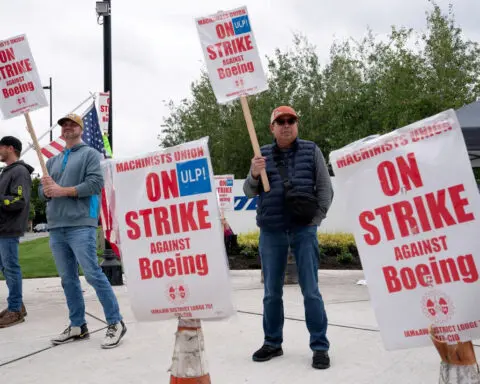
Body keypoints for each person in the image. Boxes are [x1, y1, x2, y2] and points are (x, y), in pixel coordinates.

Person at [243, 106, 333, 369]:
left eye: (290, 120)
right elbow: (249, 192)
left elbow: (325, 189)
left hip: (304, 230)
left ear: (297, 124)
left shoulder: (311, 150)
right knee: (272, 292)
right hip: (271, 231)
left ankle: (320, 346)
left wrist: (315, 220)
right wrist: (253, 172)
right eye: (280, 121)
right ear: (272, 127)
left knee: (311, 291)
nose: (286, 124)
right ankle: (272, 342)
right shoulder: (262, 155)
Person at [39, 113, 126, 349]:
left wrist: (61, 190)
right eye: (64, 125)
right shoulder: (52, 161)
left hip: (81, 224)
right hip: (56, 226)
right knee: (68, 280)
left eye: (72, 124)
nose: (67, 127)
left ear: (81, 128)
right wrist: (46, 190)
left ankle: (115, 322)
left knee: (93, 275)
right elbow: (43, 193)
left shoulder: (91, 154)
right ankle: (78, 326)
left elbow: (95, 184)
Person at [0, 136, 33, 328]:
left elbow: (19, 200)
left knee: (11, 268)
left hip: (9, 228)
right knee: (6, 268)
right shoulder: (7, 172)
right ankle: (17, 305)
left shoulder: (19, 171)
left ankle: (15, 310)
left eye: (1, 147)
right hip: (2, 228)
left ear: (10, 148)